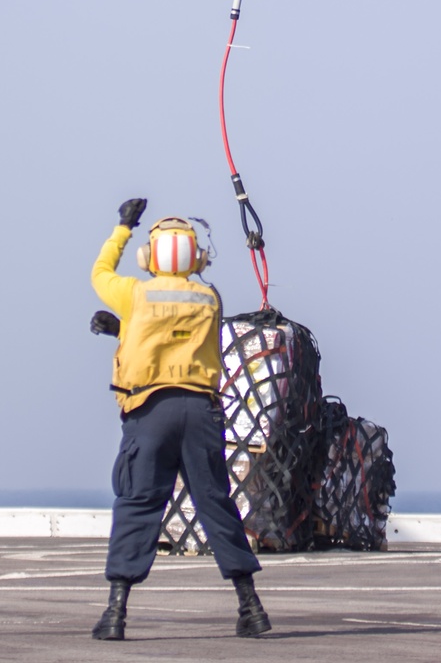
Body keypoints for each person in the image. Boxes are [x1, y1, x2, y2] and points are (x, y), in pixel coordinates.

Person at [89, 198, 271, 642]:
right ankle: (251, 607)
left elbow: (99, 275)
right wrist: (122, 329)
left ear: (148, 258)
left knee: (138, 503)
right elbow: (182, 339)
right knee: (215, 503)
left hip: (150, 412)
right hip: (200, 413)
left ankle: (116, 614)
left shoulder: (135, 294)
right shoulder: (210, 298)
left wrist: (122, 227)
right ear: (197, 256)